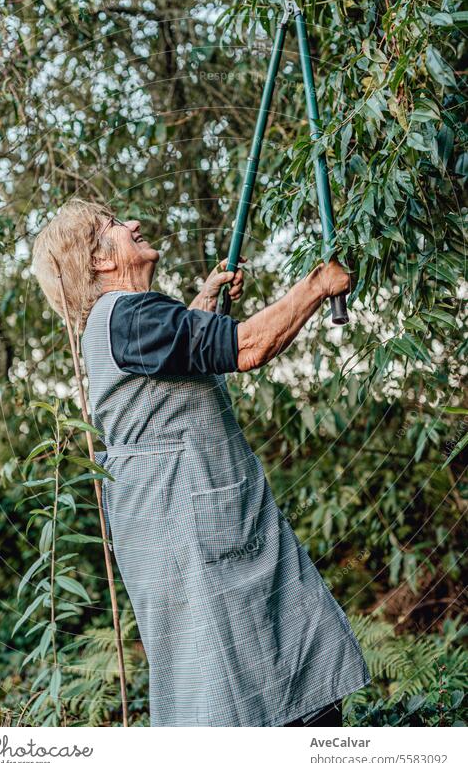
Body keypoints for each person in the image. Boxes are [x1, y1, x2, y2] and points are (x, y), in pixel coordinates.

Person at [32, 198, 370, 727]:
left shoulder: (115, 325)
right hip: (206, 543)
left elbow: (166, 374)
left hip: (180, 540)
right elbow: (250, 347)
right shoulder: (131, 316)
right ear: (100, 261)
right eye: (117, 225)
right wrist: (316, 286)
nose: (134, 224)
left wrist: (201, 305)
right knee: (276, 695)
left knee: (221, 686)